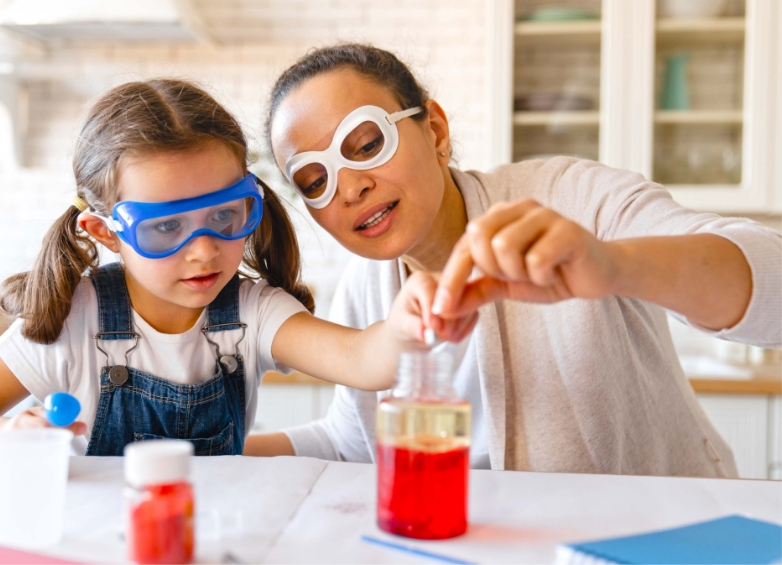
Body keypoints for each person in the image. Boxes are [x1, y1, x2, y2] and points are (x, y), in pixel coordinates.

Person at [244, 43, 782, 478]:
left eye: (366, 145)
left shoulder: (572, 200)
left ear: (434, 130)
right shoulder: (366, 287)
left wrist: (614, 265)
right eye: (315, 181)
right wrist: (203, 454)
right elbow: (352, 443)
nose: (349, 188)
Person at [0, 79, 474, 464]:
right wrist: (6, 438)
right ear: (106, 233)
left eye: (223, 216)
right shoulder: (78, 318)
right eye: (166, 228)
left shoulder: (252, 310)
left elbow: (364, 360)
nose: (205, 251)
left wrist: (405, 323)